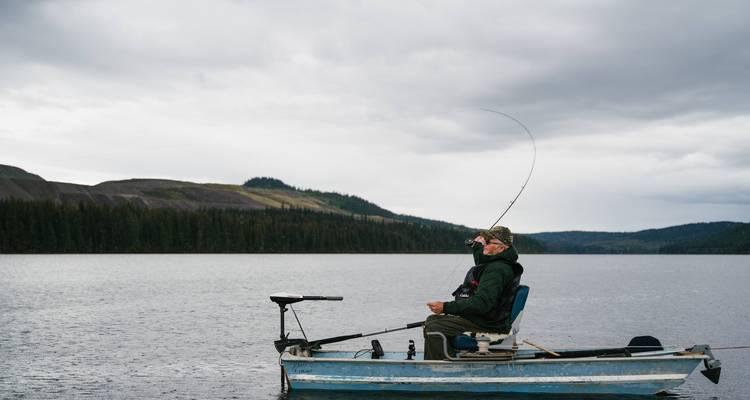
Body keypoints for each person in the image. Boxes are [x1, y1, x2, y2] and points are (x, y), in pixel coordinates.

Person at [423, 225, 523, 360]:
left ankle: (440, 368)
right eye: (484, 241)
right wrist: (477, 247)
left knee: (435, 326)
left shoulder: (497, 270)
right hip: (489, 319)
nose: (484, 245)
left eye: (488, 242)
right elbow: (483, 262)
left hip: (488, 324)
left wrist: (445, 307)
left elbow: (482, 304)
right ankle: (449, 358)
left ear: (501, 248)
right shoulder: (498, 264)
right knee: (432, 321)